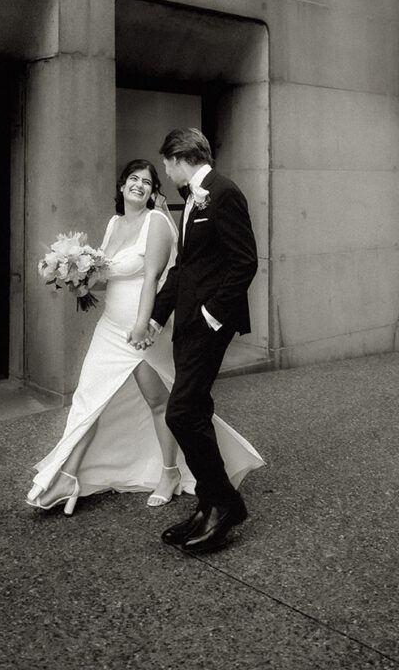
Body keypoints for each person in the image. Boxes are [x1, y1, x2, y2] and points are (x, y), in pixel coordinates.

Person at [26, 158, 263, 515]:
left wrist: (144, 326)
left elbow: (153, 277)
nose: (139, 185)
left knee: (159, 402)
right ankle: (66, 478)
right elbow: (108, 277)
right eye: (134, 179)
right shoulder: (113, 223)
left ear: (153, 193)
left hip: (140, 331)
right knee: (88, 400)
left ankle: (169, 473)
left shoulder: (157, 223)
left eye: (148, 182)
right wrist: (78, 282)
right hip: (109, 329)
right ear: (121, 186)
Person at [149, 128, 260, 554]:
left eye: (166, 162)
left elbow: (244, 262)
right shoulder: (192, 198)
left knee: (180, 412)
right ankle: (208, 504)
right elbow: (184, 268)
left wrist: (213, 315)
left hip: (209, 324)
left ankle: (227, 505)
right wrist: (157, 317)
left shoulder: (224, 192)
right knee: (194, 410)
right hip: (187, 324)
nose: (164, 170)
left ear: (180, 158)